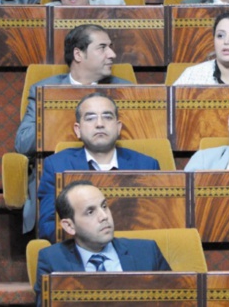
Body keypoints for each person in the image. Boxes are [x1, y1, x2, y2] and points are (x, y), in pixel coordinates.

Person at [16, 24, 131, 234]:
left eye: (110, 47)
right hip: (59, 182)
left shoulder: (126, 89)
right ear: (78, 54)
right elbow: (23, 144)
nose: (112, 54)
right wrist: (58, 112)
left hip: (118, 182)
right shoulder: (43, 90)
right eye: (102, 47)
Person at [38, 93, 160, 243]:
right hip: (79, 253)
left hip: (133, 252)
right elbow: (47, 226)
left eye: (107, 117)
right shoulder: (57, 166)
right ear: (78, 130)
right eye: (90, 118)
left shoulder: (146, 166)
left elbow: (157, 223)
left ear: (118, 127)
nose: (100, 124)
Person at [34, 180, 170, 305]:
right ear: (69, 226)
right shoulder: (52, 260)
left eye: (104, 206)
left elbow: (175, 301)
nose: (104, 216)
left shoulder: (147, 252)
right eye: (90, 212)